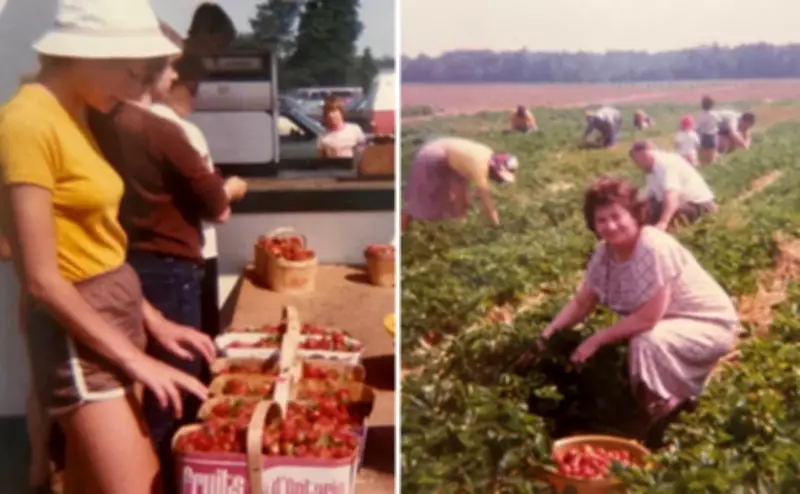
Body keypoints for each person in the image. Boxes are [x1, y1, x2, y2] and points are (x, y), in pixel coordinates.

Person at [0, 1, 214, 493]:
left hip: (111, 311)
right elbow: (42, 280)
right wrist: (138, 360)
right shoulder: (27, 122)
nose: (142, 91)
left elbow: (98, 245)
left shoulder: (75, 113)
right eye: (138, 74)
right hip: (78, 327)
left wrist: (155, 322)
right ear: (92, 55)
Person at [86, 24, 245, 494]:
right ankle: (173, 479)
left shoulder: (99, 122)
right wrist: (231, 188)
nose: (177, 73)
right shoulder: (163, 130)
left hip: (122, 263)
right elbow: (217, 206)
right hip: (171, 267)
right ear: (151, 72)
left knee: (134, 384)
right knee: (176, 388)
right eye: (172, 65)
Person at [541, 176, 741, 431]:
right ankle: (646, 404)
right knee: (638, 342)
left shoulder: (652, 245)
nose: (610, 225)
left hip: (707, 325)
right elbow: (583, 302)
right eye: (601, 219)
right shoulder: (604, 253)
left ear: (635, 215)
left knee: (646, 341)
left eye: (616, 216)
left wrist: (596, 339)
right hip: (670, 324)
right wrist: (546, 335)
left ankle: (662, 411)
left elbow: (649, 318)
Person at [150, 27, 246, 370]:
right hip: (191, 257)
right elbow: (215, 209)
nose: (196, 98)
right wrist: (232, 188)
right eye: (192, 89)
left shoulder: (130, 125)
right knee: (196, 353)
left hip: (158, 260)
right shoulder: (180, 131)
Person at [402, 137, 518, 230]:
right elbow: (486, 202)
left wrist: (472, 195)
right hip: (431, 156)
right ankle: (402, 231)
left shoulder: (489, 157)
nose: (498, 179)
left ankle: (459, 227)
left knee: (463, 200)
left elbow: (476, 189)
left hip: (452, 160)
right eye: (499, 176)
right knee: (421, 199)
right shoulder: (479, 166)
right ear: (495, 167)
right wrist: (497, 227)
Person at [629, 140, 717, 230]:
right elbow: (649, 195)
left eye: (637, 161)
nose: (638, 165)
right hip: (684, 202)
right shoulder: (651, 169)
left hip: (699, 204)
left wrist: (663, 222)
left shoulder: (665, 164)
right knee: (646, 210)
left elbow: (671, 194)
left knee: (665, 215)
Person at [696, 95, 720, 165]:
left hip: (704, 136)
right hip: (713, 136)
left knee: (703, 159)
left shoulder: (702, 114)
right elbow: (718, 121)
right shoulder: (714, 114)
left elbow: (699, 125)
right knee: (712, 158)